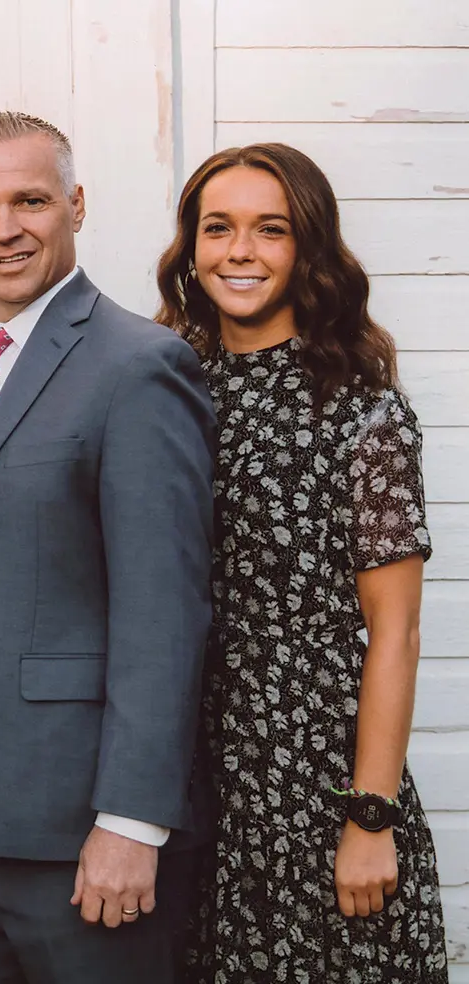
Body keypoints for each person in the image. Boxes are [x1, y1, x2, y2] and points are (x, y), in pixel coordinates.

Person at [0, 110, 216, 983]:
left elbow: (166, 609)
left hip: (81, 836)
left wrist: (131, 821)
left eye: (30, 200)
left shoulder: (139, 366)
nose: (5, 229)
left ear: (76, 203)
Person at [156, 143, 450, 983]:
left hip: (317, 786)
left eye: (270, 230)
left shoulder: (362, 409)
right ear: (191, 246)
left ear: (308, 248)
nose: (239, 251)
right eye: (219, 228)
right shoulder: (165, 387)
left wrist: (370, 817)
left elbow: (395, 632)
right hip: (191, 786)